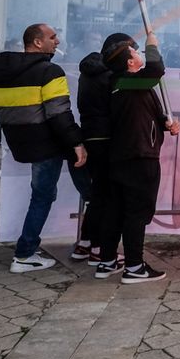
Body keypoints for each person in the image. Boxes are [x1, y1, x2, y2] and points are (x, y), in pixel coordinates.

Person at [0, 24, 87, 273]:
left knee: (40, 195)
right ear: (37, 42)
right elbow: (59, 113)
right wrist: (76, 142)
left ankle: (29, 250)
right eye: (52, 37)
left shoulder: (2, 71)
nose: (57, 42)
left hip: (22, 143)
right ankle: (24, 254)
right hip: (48, 144)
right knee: (43, 197)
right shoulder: (49, 71)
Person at [97, 31, 179, 282]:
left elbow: (143, 116)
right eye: (135, 52)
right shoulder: (126, 82)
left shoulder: (128, 85)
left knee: (117, 211)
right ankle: (134, 267)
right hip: (138, 157)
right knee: (135, 213)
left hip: (125, 156)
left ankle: (107, 261)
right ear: (129, 62)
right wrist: (152, 46)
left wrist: (166, 125)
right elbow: (156, 70)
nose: (139, 53)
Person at [77, 37, 124, 266]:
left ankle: (85, 243)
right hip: (105, 138)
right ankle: (99, 248)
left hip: (90, 135)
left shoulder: (89, 72)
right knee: (104, 196)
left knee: (97, 194)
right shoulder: (108, 75)